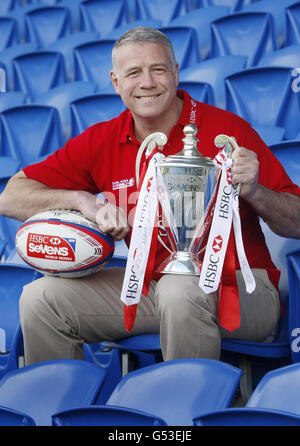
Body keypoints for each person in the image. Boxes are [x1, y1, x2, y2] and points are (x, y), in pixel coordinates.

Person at [0, 27, 299, 366]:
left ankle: (183, 414)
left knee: (179, 291)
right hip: (150, 287)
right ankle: (57, 411)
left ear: (175, 73)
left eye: (158, 69)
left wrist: (256, 192)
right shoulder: (102, 139)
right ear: (115, 82)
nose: (147, 82)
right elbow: (10, 198)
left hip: (244, 291)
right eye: (133, 73)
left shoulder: (227, 131)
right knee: (41, 299)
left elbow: (297, 221)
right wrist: (83, 202)